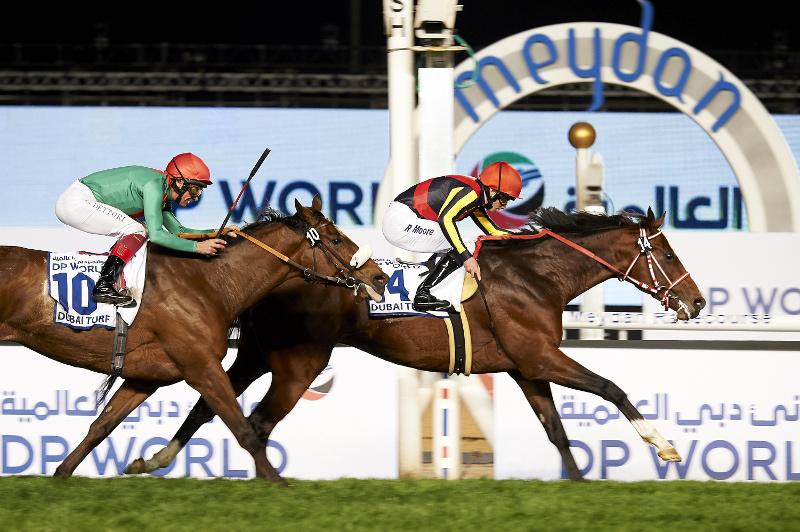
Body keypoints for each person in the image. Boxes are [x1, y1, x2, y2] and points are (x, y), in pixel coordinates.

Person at [55, 152, 231, 307]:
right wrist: (198, 247)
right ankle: (104, 284)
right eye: (194, 189)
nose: (195, 197)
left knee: (137, 229)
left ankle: (111, 280)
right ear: (178, 182)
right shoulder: (154, 185)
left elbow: (178, 232)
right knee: (137, 229)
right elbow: (157, 235)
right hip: (76, 202)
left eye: (199, 191)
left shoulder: (163, 191)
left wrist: (216, 232)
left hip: (79, 200)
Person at [382, 161, 522, 311]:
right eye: (505, 198)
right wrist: (467, 257)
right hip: (400, 222)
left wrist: (527, 239)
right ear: (493, 191)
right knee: (465, 245)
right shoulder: (472, 193)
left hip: (402, 218)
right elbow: (446, 219)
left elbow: (493, 230)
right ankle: (423, 294)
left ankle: (430, 288)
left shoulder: (477, 193)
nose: (505, 205)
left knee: (457, 244)